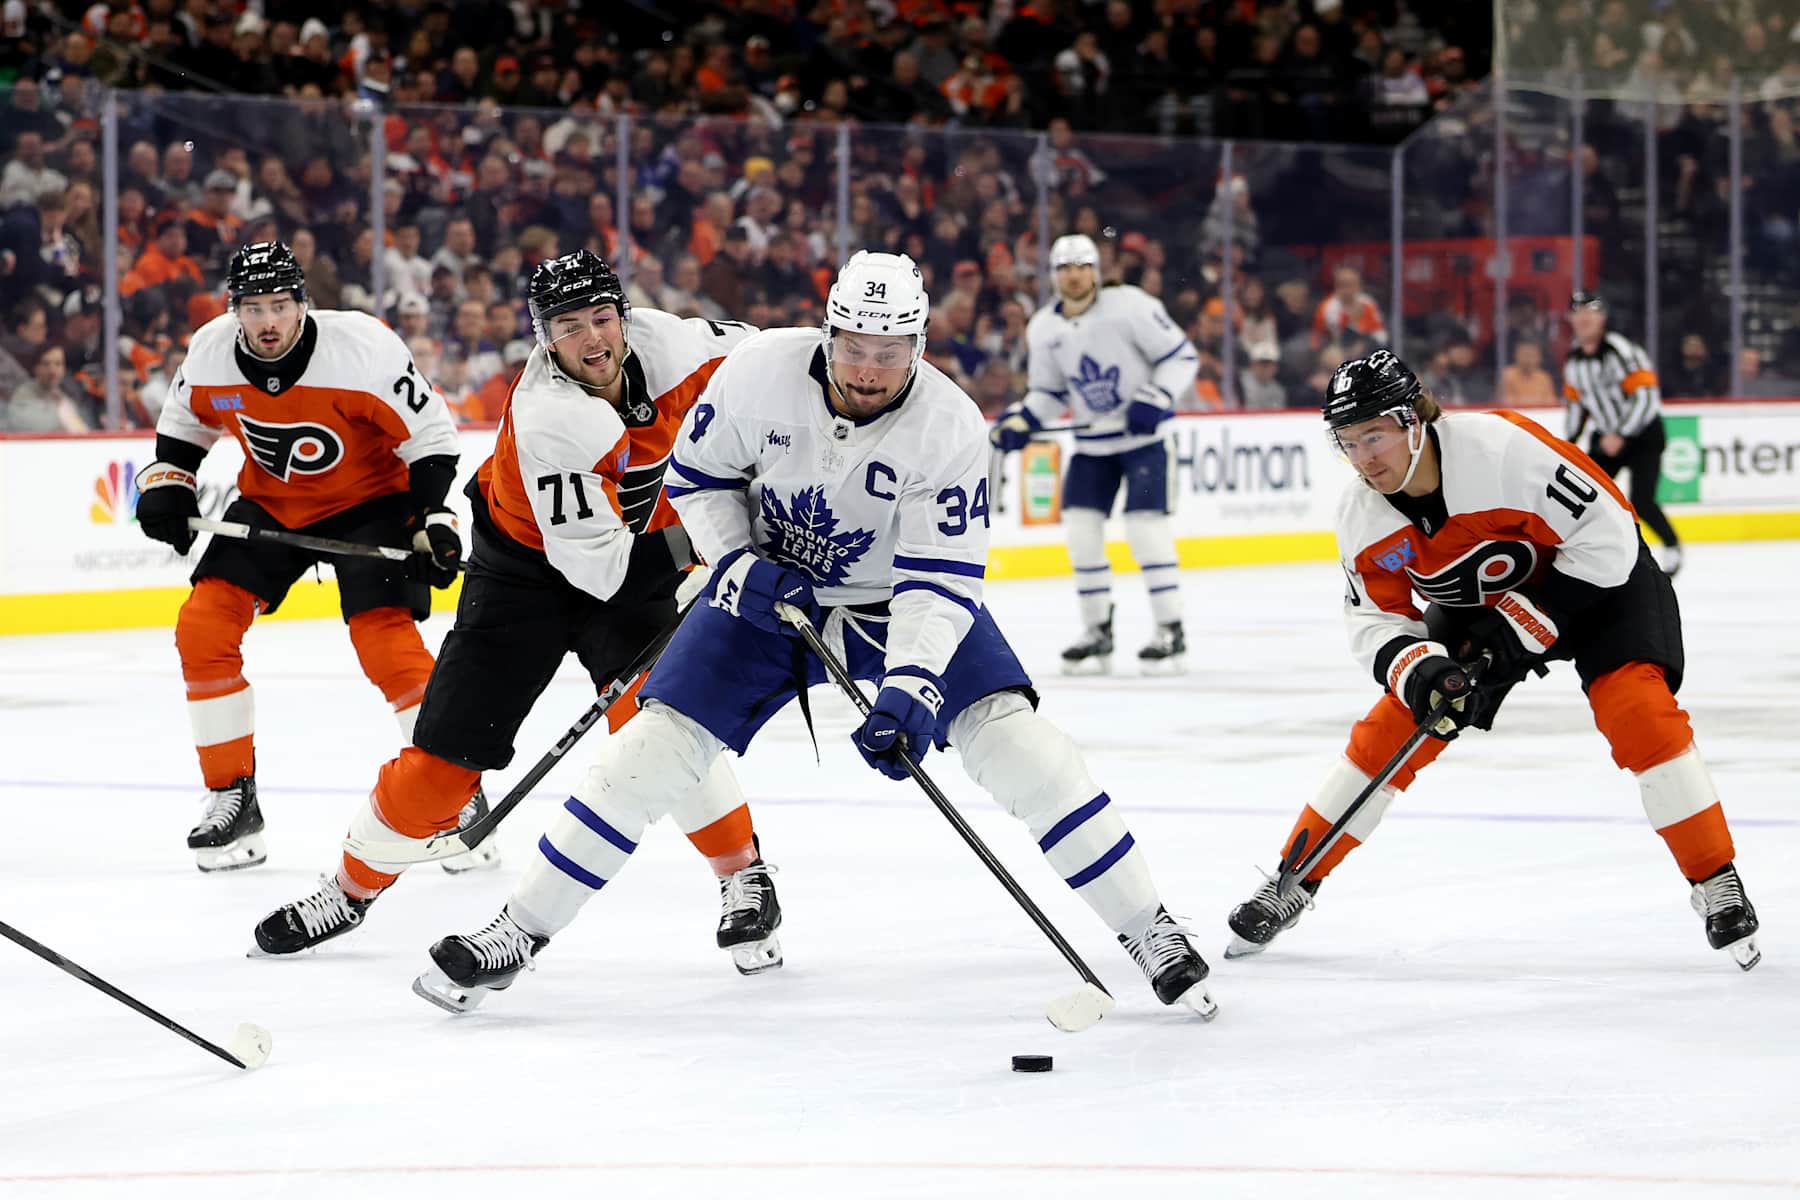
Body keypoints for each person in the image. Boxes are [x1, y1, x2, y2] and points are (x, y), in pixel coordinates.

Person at [415, 251, 1218, 1018]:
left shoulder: (950, 426)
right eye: (855, 346)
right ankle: (516, 932)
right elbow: (699, 482)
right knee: (647, 752)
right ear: (828, 333)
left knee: (1021, 749)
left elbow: (939, 582)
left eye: (892, 349)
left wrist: (909, 685)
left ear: (921, 344)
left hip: (892, 601)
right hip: (766, 596)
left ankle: (1148, 927)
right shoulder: (758, 373)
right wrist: (733, 563)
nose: (870, 368)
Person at [250, 251, 785, 974]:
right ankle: (347, 891)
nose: (593, 339)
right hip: (529, 574)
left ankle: (743, 873)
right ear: (543, 336)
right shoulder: (552, 417)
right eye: (570, 326)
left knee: (665, 728)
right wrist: (718, 537)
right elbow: (606, 576)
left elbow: (787, 369)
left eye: (603, 318)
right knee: (439, 770)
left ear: (624, 314)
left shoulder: (687, 347)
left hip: (636, 552)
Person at [1223, 351, 1760, 972]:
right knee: (1395, 726)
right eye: (1348, 440)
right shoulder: (1362, 516)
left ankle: (1715, 878)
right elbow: (1374, 619)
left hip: (1598, 587)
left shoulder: (1502, 451)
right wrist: (1419, 667)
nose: (1364, 456)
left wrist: (1526, 626)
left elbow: (1609, 533)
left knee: (1640, 713)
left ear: (1414, 420)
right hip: (1483, 610)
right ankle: (1295, 879)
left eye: (1375, 434)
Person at [132, 241, 467, 872]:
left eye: (279, 305)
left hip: (372, 501)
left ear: (303, 305)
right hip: (273, 502)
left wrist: (428, 517)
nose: (266, 321)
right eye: (252, 306)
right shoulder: (209, 352)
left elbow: (432, 438)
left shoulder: (362, 348)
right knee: (202, 626)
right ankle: (231, 797)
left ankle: (452, 795)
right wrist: (169, 485)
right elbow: (183, 429)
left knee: (386, 644)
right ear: (233, 309)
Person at [990, 234, 1200, 675]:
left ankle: (1170, 628)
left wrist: (1155, 396)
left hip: (1144, 440)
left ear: (1096, 270)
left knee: (1146, 530)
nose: (1074, 274)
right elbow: (1047, 392)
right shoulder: (1043, 328)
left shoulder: (1131, 306)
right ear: (1053, 275)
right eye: (1065, 267)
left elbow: (1181, 357)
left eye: (1082, 265)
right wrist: (1026, 419)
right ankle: (1097, 629)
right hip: (1093, 446)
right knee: (1082, 533)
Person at [1562, 291, 1682, 575]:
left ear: (1602, 318)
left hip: (1642, 436)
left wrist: (1622, 434)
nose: (1584, 319)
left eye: (1590, 313)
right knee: (1586, 497)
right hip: (1606, 439)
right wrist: (1566, 445)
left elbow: (1646, 397)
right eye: (1578, 314)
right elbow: (1577, 406)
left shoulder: (1622, 350)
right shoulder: (1574, 361)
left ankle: (1672, 545)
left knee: (1642, 500)